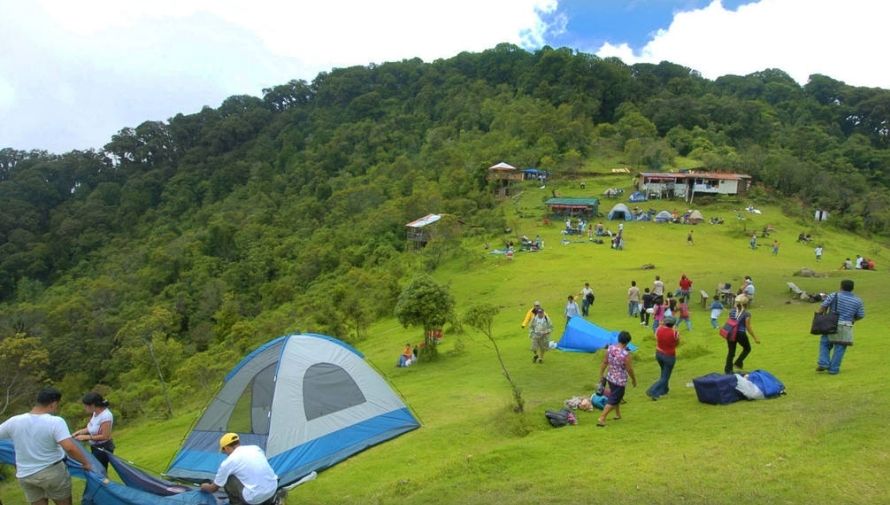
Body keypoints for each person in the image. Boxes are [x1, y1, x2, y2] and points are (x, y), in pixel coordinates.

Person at [0, 387, 93, 505]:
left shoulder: (14, 421)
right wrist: (86, 463)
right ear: (53, 404)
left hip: (26, 475)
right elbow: (69, 447)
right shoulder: (55, 422)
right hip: (51, 472)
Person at [201, 433, 279, 505]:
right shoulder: (255, 448)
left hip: (255, 498)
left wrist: (204, 485)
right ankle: (272, 501)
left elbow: (213, 489)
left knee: (228, 479)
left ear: (227, 448)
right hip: (273, 489)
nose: (225, 454)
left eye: (224, 451)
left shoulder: (228, 462)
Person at [816, 280, 865, 375]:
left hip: (831, 323)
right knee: (840, 347)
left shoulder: (834, 295)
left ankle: (824, 362)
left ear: (841, 286)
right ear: (852, 288)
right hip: (846, 326)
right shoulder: (858, 300)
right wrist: (852, 319)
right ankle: (834, 369)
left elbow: (823, 306)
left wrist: (819, 315)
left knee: (825, 343)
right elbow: (861, 315)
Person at [597, 331, 636, 427]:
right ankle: (602, 418)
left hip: (610, 377)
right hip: (619, 381)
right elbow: (629, 369)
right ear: (627, 342)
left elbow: (605, 362)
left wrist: (601, 375)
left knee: (616, 396)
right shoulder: (625, 354)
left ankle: (618, 415)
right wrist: (634, 379)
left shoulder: (610, 348)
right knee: (614, 398)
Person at [72, 392, 115, 471]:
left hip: (103, 448)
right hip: (95, 447)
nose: (85, 408)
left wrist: (87, 437)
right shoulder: (95, 413)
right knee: (95, 471)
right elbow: (91, 428)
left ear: (93, 405)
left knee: (98, 472)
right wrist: (79, 432)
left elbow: (105, 436)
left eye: (86, 406)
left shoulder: (106, 416)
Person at [724, 295, 760, 374]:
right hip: (740, 333)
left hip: (730, 333)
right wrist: (755, 337)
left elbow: (729, 321)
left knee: (731, 352)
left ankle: (728, 370)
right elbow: (748, 326)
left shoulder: (732, 311)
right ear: (746, 304)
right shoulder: (747, 314)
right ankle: (738, 363)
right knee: (747, 349)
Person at [647, 317, 680, 400]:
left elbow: (656, 338)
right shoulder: (675, 333)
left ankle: (664, 389)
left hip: (659, 354)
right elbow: (677, 342)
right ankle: (652, 391)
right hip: (669, 356)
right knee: (665, 377)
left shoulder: (659, 330)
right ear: (673, 324)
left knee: (663, 372)